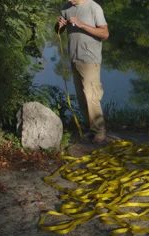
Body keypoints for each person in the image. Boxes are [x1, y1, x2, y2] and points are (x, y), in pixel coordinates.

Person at [56, 0, 109, 143]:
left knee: (91, 96)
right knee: (81, 97)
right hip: (74, 58)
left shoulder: (93, 7)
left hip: (90, 59)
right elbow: (59, 31)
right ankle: (90, 128)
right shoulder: (66, 8)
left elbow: (105, 33)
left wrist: (81, 24)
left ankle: (100, 133)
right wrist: (59, 25)